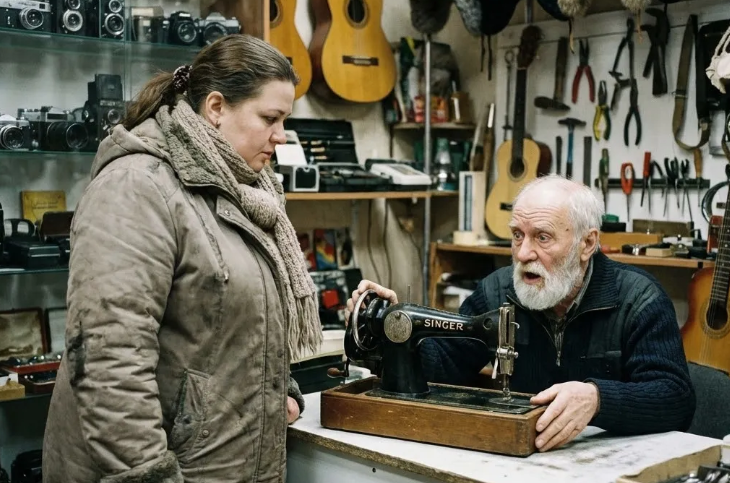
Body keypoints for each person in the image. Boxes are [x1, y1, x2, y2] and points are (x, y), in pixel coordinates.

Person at [43, 34, 323, 482]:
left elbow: (225, 328)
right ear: (216, 108)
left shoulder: (247, 193)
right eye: (270, 118)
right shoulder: (137, 187)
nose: (281, 135)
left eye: (284, 119)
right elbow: (108, 361)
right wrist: (152, 475)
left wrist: (272, 392)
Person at [347, 175, 695, 453]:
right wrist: (391, 334)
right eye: (517, 235)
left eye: (542, 238)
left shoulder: (639, 300)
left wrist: (598, 398)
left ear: (587, 244)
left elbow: (675, 398)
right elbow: (444, 366)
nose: (523, 253)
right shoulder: (498, 292)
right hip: (524, 460)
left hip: (612, 463)